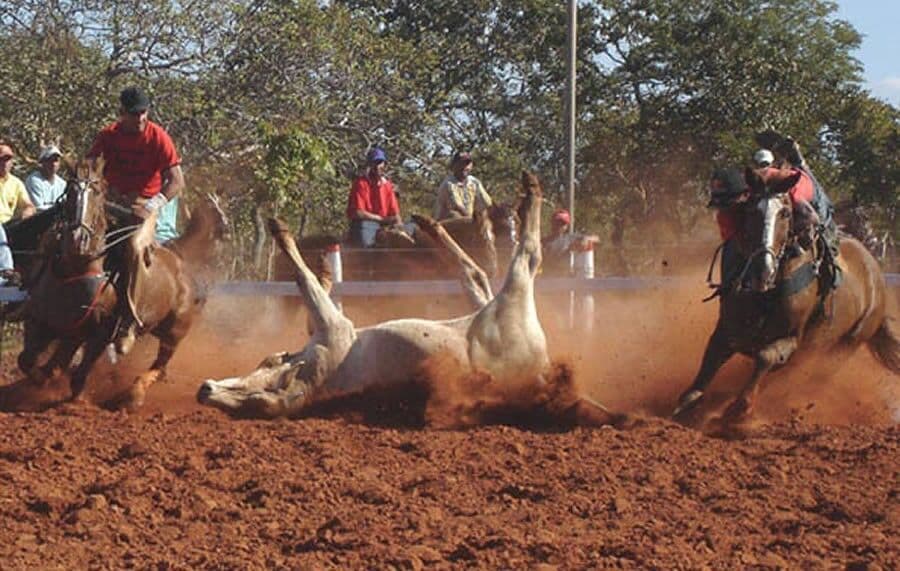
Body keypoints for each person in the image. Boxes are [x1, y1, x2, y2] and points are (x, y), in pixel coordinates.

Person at [86, 86, 185, 355]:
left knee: (133, 246)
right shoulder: (108, 136)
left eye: (143, 112)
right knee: (78, 238)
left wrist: (153, 204)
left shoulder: (158, 137)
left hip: (144, 206)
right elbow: (90, 166)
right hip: (108, 204)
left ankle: (129, 319)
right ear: (122, 114)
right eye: (134, 113)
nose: (140, 118)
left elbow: (177, 181)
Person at [346, 147, 401, 247]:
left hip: (384, 226)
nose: (377, 166)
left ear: (384, 165)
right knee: (365, 239)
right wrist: (381, 219)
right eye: (374, 163)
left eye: (380, 162)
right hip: (366, 224)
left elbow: (395, 213)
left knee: (412, 229)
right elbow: (359, 213)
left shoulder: (387, 185)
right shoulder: (361, 183)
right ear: (369, 165)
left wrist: (400, 227)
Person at [0, 144, 36, 285]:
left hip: (9, 225)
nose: (4, 162)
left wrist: (27, 211)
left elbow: (28, 205)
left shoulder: (16, 183)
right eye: (1, 159)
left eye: (8, 159)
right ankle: (5, 272)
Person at [433, 151, 492, 221]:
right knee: (454, 215)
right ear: (453, 166)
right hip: (447, 225)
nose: (464, 167)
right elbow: (458, 208)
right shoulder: (448, 184)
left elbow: (487, 204)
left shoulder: (474, 182)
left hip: (467, 224)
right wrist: (475, 221)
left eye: (467, 164)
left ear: (471, 165)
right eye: (461, 164)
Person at [24, 145, 67, 211]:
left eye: (56, 160)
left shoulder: (62, 184)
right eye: (50, 160)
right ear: (42, 162)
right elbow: (38, 209)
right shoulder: (33, 181)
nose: (53, 164)